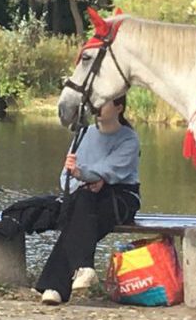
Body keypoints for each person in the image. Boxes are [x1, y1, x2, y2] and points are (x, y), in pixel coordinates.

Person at [36, 94, 141, 305]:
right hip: (84, 196)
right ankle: (83, 268)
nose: (98, 107)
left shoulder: (129, 139)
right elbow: (66, 175)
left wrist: (92, 177)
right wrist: (82, 179)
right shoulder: (84, 133)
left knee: (81, 211)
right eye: (96, 103)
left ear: (119, 107)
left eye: (105, 102)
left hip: (120, 197)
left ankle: (55, 285)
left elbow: (110, 170)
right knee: (82, 204)